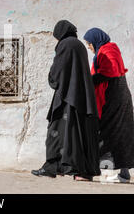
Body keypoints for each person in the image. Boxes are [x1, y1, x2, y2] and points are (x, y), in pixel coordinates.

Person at [31, 20, 101, 181]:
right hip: (80, 97)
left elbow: (57, 72)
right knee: (76, 135)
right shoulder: (78, 45)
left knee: (55, 133)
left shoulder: (65, 45)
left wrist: (52, 79)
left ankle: (52, 168)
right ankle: (80, 172)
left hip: (67, 97)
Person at [83, 28, 134, 183]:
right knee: (120, 134)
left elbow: (111, 71)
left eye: (89, 43)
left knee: (103, 132)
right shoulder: (108, 50)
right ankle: (124, 174)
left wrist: (88, 81)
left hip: (114, 98)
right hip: (117, 96)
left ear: (95, 40)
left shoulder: (108, 50)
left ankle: (90, 171)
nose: (89, 47)